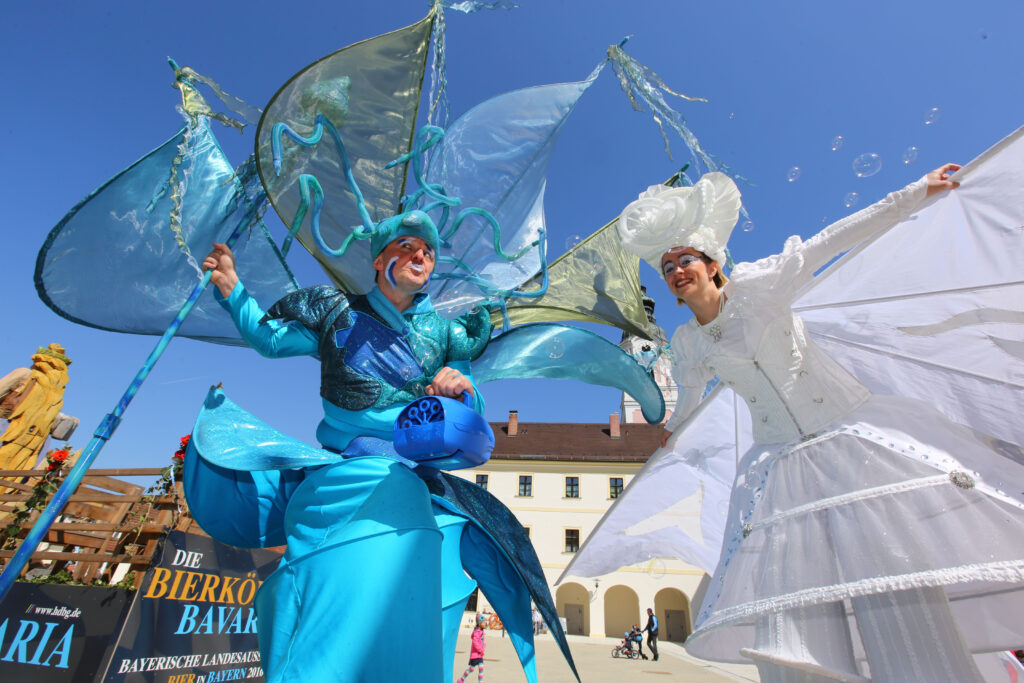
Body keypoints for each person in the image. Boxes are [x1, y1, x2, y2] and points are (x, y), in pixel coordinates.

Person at [616, 164, 1024, 682]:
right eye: (668, 266)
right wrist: (667, 434)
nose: (677, 270)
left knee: (888, 574)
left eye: (686, 259)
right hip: (782, 464)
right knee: (796, 596)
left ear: (713, 263)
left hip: (846, 440)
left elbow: (830, 240)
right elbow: (690, 404)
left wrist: (916, 192)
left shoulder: (759, 286)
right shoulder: (688, 343)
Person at [186, 209, 568, 683]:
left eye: (428, 252)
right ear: (379, 259)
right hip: (342, 476)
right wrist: (231, 288)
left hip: (414, 479)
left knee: (416, 602)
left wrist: (461, 391)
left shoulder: (447, 334)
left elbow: (472, 424)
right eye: (407, 246)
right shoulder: (336, 311)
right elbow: (269, 339)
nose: (421, 256)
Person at [457, 615, 487, 683]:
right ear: (479, 624)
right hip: (475, 655)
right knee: (471, 669)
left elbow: (481, 641)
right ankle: (461, 679)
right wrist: (480, 649)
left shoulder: (481, 631)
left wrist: (484, 645)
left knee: (481, 669)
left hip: (480, 655)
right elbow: (475, 643)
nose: (485, 624)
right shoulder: (476, 632)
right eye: (484, 622)